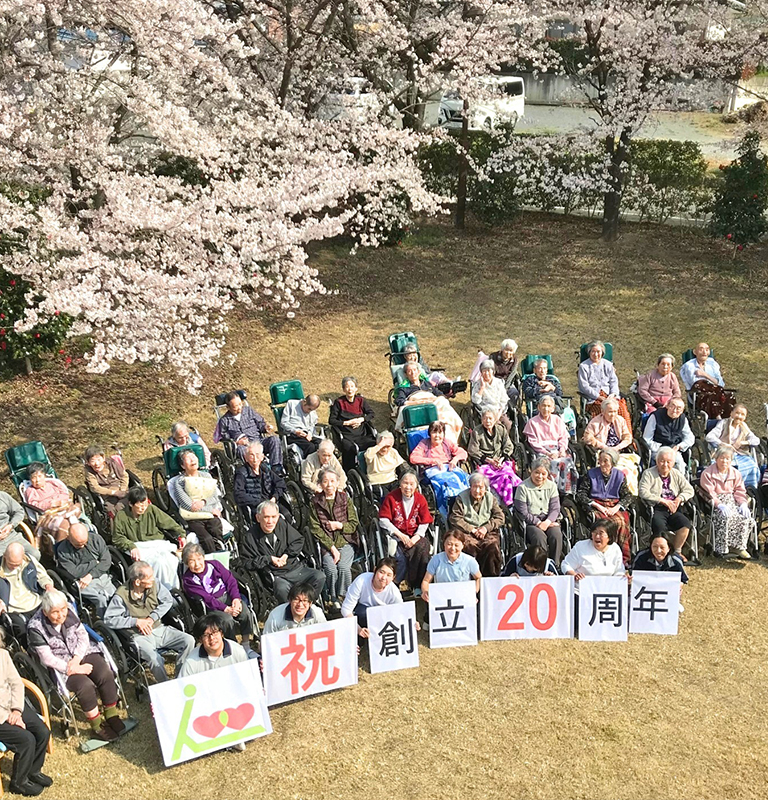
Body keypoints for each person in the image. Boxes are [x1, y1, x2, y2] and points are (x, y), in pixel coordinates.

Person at [27, 590, 125, 742]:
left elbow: (83, 635)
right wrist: (72, 667)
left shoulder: (70, 611)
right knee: (85, 686)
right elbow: (47, 658)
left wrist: (78, 658)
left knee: (105, 673)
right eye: (55, 612)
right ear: (45, 612)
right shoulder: (35, 627)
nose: (61, 615)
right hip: (60, 664)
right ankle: (97, 724)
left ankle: (111, 713)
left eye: (63, 609)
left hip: (83, 652)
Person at [104, 561, 194, 683]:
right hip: (138, 636)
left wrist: (152, 618)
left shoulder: (155, 584)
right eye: (149, 577)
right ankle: (165, 685)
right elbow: (109, 619)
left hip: (159, 629)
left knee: (189, 640)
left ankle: (180, 678)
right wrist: (135, 622)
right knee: (154, 658)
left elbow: (167, 601)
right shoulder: (121, 596)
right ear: (137, 581)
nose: (153, 579)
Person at [238, 501, 325, 603]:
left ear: (278, 516)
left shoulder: (282, 525)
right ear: (258, 518)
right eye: (266, 517)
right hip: (276, 576)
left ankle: (306, 604)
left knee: (319, 577)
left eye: (273, 517)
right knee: (281, 589)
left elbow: (298, 540)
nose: (270, 521)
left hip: (296, 569)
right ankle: (290, 612)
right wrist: (269, 559)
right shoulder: (249, 537)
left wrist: (286, 555)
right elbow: (246, 563)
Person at [0, 627, 51, 796]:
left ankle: (33, 771)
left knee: (43, 731)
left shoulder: (3, 655)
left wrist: (16, 710)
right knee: (26, 740)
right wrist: (8, 716)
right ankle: (18, 783)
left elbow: (16, 683)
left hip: (12, 705)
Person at [180, 543, 256, 653]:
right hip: (211, 606)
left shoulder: (215, 565)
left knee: (244, 612)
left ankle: (246, 644)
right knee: (227, 620)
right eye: (192, 561)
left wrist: (236, 599)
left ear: (203, 557)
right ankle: (234, 647)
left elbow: (230, 581)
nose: (197, 564)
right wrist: (226, 609)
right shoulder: (188, 580)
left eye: (199, 558)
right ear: (187, 563)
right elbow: (207, 598)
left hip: (227, 596)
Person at [113, 486, 184, 590]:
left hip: (157, 543)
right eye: (140, 505)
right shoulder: (121, 516)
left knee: (171, 559)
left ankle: (175, 589)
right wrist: (130, 546)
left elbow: (171, 524)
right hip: (138, 546)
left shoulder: (152, 509)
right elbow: (117, 537)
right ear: (130, 504)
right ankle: (160, 590)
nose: (143, 508)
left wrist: (181, 535)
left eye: (145, 504)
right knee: (158, 563)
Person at [308, 469, 360, 608]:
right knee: (331, 569)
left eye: (332, 481)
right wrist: (332, 548)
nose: (329, 485)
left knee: (343, 567)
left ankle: (344, 596)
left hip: (346, 540)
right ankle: (332, 597)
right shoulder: (315, 502)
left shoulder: (345, 499)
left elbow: (354, 524)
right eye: (325, 481)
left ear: (338, 483)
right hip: (327, 544)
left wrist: (339, 525)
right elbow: (315, 528)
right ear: (320, 484)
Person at [576, 449, 633, 566]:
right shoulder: (591, 474)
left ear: (612, 463)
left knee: (621, 521)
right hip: (596, 504)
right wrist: (597, 505)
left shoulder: (620, 475)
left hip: (613, 505)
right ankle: (604, 554)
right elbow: (581, 494)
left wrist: (617, 507)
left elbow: (628, 495)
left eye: (605, 461)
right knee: (604, 524)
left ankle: (622, 558)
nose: (602, 464)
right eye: (600, 461)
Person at [378, 471, 433, 591]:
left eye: (411, 484)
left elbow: (425, 521)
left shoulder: (420, 499)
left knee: (423, 548)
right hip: (396, 535)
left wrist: (416, 537)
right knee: (401, 557)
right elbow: (383, 520)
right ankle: (396, 584)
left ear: (416, 486)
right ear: (400, 484)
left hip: (414, 535)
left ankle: (417, 584)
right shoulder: (391, 497)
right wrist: (400, 535)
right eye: (405, 483)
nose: (408, 487)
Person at [638, 447, 694, 562]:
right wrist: (662, 500)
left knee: (685, 524)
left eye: (669, 462)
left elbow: (689, 490)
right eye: (662, 461)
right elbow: (643, 492)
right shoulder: (648, 473)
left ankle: (676, 552)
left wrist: (679, 499)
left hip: (674, 508)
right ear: (657, 461)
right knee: (660, 528)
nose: (665, 464)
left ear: (673, 463)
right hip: (656, 508)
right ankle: (660, 553)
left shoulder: (676, 473)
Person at [699, 444, 752, 559]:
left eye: (727, 458)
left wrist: (743, 503)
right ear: (716, 458)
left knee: (746, 518)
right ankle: (721, 548)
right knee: (725, 518)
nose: (724, 461)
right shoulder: (707, 474)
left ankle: (739, 547)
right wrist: (719, 505)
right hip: (716, 503)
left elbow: (739, 490)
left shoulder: (735, 473)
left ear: (731, 460)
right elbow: (709, 493)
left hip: (732, 501)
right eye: (722, 458)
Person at [447, 473, 504, 576]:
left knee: (492, 546)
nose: (477, 491)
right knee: (469, 546)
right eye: (474, 487)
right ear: (470, 487)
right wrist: (471, 529)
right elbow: (455, 517)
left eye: (481, 487)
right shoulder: (461, 498)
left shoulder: (491, 498)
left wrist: (486, 528)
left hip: (487, 531)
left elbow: (500, 517)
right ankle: (470, 577)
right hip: (467, 532)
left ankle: (490, 578)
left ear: (485, 488)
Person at [409, 420, 470, 517]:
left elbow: (463, 453)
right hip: (434, 470)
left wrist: (455, 459)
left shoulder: (447, 442)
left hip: (450, 467)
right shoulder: (424, 443)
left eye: (440, 432)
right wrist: (433, 461)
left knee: (465, 478)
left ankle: (467, 505)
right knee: (447, 483)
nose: (437, 435)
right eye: (434, 432)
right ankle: (448, 509)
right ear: (430, 434)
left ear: (443, 433)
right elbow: (413, 458)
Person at [168, 449, 225, 553]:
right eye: (188, 459)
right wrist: (210, 510)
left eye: (193, 457)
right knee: (206, 539)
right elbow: (189, 505)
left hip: (210, 515)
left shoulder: (207, 476)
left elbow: (215, 497)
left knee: (216, 529)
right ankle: (213, 560)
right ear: (183, 466)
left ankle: (222, 555)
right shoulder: (179, 482)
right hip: (193, 517)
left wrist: (203, 502)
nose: (192, 460)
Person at [54, 523, 116, 617]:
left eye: (84, 542)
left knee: (115, 594)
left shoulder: (96, 539)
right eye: (78, 545)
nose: (82, 546)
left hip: (100, 574)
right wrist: (94, 563)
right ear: (69, 538)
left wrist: (90, 575)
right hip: (82, 582)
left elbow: (106, 561)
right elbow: (75, 572)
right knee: (101, 599)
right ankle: (105, 621)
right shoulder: (63, 550)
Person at [582, 396, 641, 494]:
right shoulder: (596, 422)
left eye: (615, 411)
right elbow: (587, 437)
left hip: (619, 451)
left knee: (629, 470)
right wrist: (603, 446)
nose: (613, 414)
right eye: (610, 412)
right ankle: (610, 493)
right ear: (603, 411)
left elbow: (628, 436)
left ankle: (628, 495)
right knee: (614, 469)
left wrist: (618, 447)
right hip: (603, 452)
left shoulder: (620, 420)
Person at [214, 391, 283, 469]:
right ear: (228, 407)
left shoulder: (249, 411)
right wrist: (237, 442)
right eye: (235, 406)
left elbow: (260, 423)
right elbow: (224, 437)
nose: (239, 408)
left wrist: (265, 427)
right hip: (244, 446)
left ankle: (276, 468)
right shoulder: (225, 420)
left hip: (258, 441)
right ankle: (254, 470)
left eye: (240, 404)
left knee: (275, 439)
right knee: (241, 450)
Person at [514, 457, 563, 565]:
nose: (540, 476)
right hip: (531, 522)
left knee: (556, 535)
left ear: (548, 474)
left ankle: (555, 565)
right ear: (531, 471)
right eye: (537, 472)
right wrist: (538, 523)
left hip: (548, 521)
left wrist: (547, 522)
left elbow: (555, 508)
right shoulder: (522, 487)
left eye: (543, 474)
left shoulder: (552, 486)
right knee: (539, 537)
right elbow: (523, 511)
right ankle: (541, 565)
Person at [523, 396, 578, 494]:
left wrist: (562, 450)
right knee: (553, 463)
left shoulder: (557, 419)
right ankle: (552, 490)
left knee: (567, 461)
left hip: (557, 449)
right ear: (539, 407)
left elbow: (563, 437)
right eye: (543, 406)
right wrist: (548, 454)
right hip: (542, 451)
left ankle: (566, 491)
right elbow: (533, 442)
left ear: (553, 408)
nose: (546, 408)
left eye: (549, 406)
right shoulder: (532, 422)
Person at [467, 409, 521, 505]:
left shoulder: (501, 429)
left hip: (500, 461)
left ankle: (514, 499)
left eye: (490, 418)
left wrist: (501, 459)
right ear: (481, 420)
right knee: (502, 478)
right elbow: (473, 450)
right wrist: (489, 460)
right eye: (485, 418)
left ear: (495, 419)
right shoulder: (477, 432)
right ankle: (504, 502)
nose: (488, 421)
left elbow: (509, 445)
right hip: (486, 463)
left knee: (509, 477)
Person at [0, 543, 54, 640]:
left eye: (17, 564)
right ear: (4, 556)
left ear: (23, 556)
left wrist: (48, 585)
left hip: (36, 600)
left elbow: (42, 576)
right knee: (24, 631)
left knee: (54, 617)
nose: (14, 567)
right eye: (11, 564)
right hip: (14, 609)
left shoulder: (29, 561)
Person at [341, 558, 407, 637]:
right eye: (382, 572)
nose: (384, 578)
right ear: (375, 570)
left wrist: (412, 623)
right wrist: (358, 629)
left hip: (382, 618)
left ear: (393, 577)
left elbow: (401, 611)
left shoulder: (394, 591)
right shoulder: (361, 581)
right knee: (362, 612)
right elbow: (346, 609)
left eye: (389, 575)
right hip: (362, 613)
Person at [577, 340, 632, 429]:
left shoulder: (608, 364)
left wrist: (613, 394)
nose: (595, 354)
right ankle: (604, 437)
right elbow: (584, 386)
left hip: (609, 396)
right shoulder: (584, 366)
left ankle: (625, 437)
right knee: (603, 412)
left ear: (602, 352)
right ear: (589, 352)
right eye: (593, 351)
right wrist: (598, 397)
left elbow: (613, 381)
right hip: (594, 398)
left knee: (621, 409)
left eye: (598, 352)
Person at [178, 612, 249, 678]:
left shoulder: (238, 652)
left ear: (221, 633)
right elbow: (183, 685)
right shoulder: (191, 660)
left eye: (215, 632)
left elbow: (248, 678)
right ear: (200, 639)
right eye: (206, 635)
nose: (211, 638)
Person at [23, 463, 81, 543]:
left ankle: (70, 522)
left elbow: (64, 494)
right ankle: (62, 545)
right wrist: (51, 503)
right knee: (65, 524)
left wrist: (59, 502)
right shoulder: (30, 491)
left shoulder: (53, 483)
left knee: (77, 507)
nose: (37, 480)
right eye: (34, 477)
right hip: (48, 514)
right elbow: (34, 505)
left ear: (45, 476)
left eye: (40, 476)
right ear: (30, 479)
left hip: (63, 507)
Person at [706, 404, 761, 488]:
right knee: (728, 467)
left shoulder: (744, 426)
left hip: (739, 454)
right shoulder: (723, 423)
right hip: (724, 453)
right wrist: (723, 444)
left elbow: (756, 440)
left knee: (752, 466)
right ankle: (727, 488)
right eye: (737, 413)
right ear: (731, 413)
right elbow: (709, 437)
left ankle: (749, 489)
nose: (739, 416)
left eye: (742, 415)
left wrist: (744, 442)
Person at [234, 441, 290, 522]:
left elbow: (280, 483)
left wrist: (274, 497)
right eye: (251, 455)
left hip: (272, 502)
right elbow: (239, 495)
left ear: (262, 457)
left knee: (287, 515)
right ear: (246, 457)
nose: (255, 459)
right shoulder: (241, 473)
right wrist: (260, 503)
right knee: (270, 519)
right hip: (256, 506)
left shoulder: (265, 469)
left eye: (257, 455)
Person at [329, 376, 377, 472]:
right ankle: (349, 471)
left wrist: (361, 419)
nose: (350, 389)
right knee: (349, 448)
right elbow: (332, 420)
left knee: (374, 443)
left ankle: (371, 467)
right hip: (347, 434)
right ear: (343, 389)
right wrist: (346, 423)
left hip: (361, 433)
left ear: (356, 388)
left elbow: (371, 414)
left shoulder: (361, 401)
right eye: (347, 387)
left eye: (352, 386)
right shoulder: (339, 403)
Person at [421, 530, 482, 604]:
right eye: (449, 544)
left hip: (462, 597)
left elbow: (478, 578)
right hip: (442, 597)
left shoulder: (469, 561)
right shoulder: (436, 560)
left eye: (456, 545)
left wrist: (473, 592)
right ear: (444, 544)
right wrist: (425, 592)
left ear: (462, 545)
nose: (452, 548)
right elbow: (426, 581)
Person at [560, 519, 626, 585]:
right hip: (582, 588)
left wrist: (623, 579)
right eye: (595, 532)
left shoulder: (615, 548)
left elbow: (619, 571)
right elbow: (566, 565)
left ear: (609, 537)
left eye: (601, 533)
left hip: (607, 589)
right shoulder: (581, 547)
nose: (597, 536)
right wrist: (575, 575)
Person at [679, 342, 733, 419]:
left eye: (707, 349)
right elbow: (695, 382)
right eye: (701, 349)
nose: (705, 352)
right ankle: (718, 420)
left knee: (730, 396)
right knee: (706, 390)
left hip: (716, 391)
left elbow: (721, 383)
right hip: (699, 394)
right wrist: (713, 381)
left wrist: (705, 375)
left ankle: (730, 420)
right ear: (695, 352)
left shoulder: (713, 364)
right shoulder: (689, 365)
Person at [642, 397, 695, 473]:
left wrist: (680, 446)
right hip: (658, 448)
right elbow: (646, 438)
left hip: (674, 449)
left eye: (678, 408)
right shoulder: (655, 416)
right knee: (668, 461)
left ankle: (679, 483)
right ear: (667, 406)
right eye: (672, 406)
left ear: (682, 411)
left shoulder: (683, 419)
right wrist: (660, 448)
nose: (675, 410)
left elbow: (690, 437)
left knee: (679, 464)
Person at [82, 445, 129, 517]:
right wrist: (114, 493)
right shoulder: (89, 471)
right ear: (88, 462)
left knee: (126, 504)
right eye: (93, 461)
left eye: (98, 459)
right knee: (111, 509)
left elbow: (124, 476)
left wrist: (122, 490)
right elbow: (95, 488)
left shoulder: (112, 463)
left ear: (103, 458)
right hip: (107, 494)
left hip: (121, 489)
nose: (97, 464)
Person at [472, 360, 512, 432]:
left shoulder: (499, 382)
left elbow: (503, 400)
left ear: (493, 372)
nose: (486, 373)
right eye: (484, 371)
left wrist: (499, 413)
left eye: (488, 370)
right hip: (485, 412)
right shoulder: (478, 384)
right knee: (494, 426)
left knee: (507, 424)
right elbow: (475, 401)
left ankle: (503, 441)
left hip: (498, 411)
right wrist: (482, 387)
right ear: (481, 373)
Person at [0, 490, 39, 560]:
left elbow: (19, 511)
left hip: (11, 536)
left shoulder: (2, 496)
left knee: (34, 554)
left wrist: (11, 525)